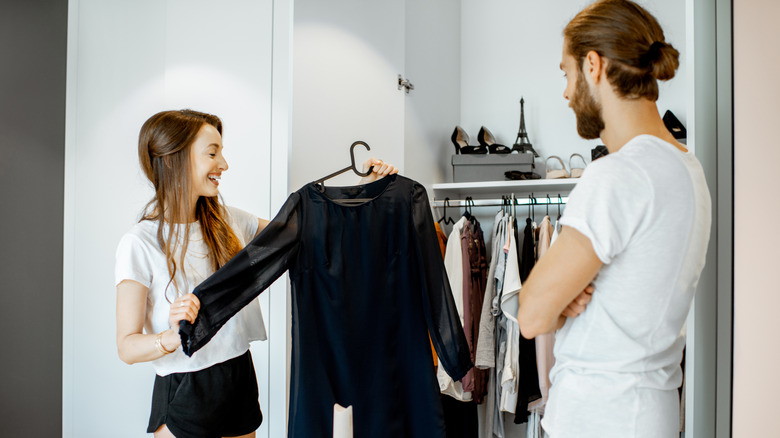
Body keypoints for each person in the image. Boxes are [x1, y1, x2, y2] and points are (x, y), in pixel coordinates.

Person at [114, 109, 398, 438]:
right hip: (186, 388)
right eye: (212, 153)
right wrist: (171, 336)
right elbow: (127, 346)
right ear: (175, 159)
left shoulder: (229, 221)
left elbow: (312, 236)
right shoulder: (140, 243)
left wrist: (366, 188)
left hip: (238, 374)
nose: (224, 164)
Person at [517, 1, 711, 437]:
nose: (566, 93)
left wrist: (556, 302)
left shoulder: (616, 175)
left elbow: (531, 314)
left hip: (600, 417)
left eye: (565, 74)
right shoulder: (687, 170)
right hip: (648, 413)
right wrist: (562, 299)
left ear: (593, 66)